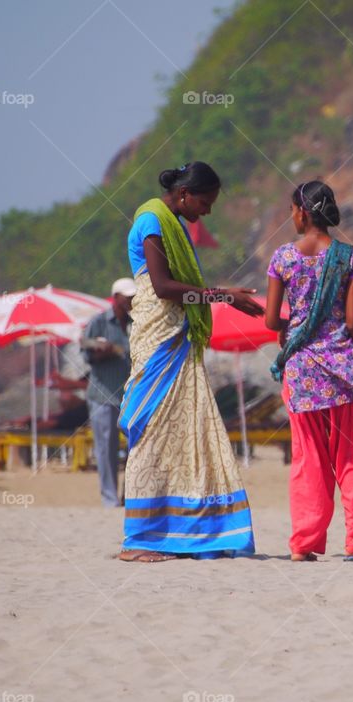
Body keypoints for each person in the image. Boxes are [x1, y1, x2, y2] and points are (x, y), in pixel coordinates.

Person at [118, 161, 264, 562]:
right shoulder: (152, 220)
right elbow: (164, 287)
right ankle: (138, 540)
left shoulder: (175, 225)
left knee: (182, 436)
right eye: (204, 202)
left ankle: (181, 532)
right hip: (158, 341)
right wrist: (222, 296)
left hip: (177, 338)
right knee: (151, 433)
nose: (207, 211)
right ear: (183, 195)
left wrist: (221, 294)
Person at [265, 180, 353, 562]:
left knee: (309, 460)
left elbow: (270, 320)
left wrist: (292, 328)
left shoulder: (283, 258)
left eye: (292, 210)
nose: (292, 217)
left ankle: (304, 543)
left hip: (301, 373)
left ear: (302, 212)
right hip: (343, 373)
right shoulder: (350, 257)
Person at [82, 278, 136, 507]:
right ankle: (110, 499)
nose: (131, 300)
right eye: (128, 297)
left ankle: (129, 496)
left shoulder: (136, 322)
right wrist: (108, 351)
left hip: (131, 395)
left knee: (136, 447)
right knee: (106, 448)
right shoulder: (99, 321)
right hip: (102, 394)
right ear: (116, 298)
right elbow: (87, 353)